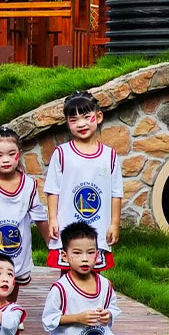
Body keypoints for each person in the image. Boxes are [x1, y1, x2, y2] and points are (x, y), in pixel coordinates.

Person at [44, 91, 123, 273]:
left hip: (98, 227)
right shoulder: (62, 153)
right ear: (67, 122)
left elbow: (116, 193)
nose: (81, 124)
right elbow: (53, 190)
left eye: (87, 117)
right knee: (67, 274)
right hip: (68, 225)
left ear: (98, 116)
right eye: (74, 120)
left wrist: (114, 223)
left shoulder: (109, 155)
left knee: (94, 274)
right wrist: (53, 219)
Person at [0, 126, 49, 298]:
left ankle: (11, 309)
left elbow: (39, 216)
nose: (5, 160)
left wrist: (50, 243)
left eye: (11, 154)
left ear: (19, 154)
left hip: (19, 250)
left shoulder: (29, 185)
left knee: (12, 285)